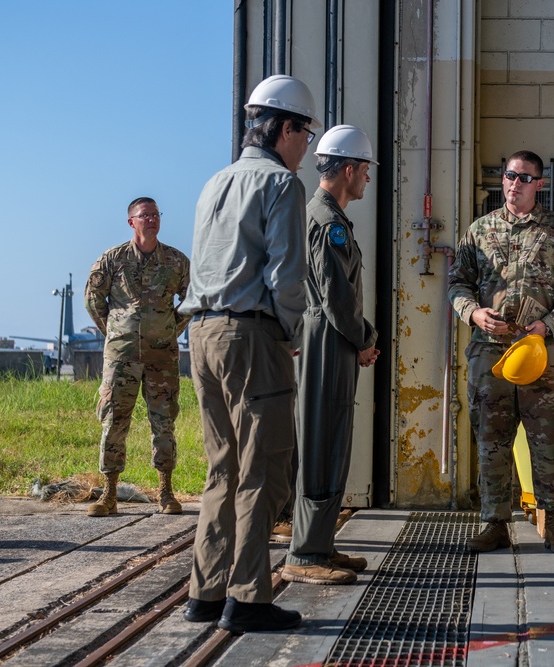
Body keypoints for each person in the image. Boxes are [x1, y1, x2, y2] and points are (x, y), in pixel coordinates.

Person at [178, 74, 319, 633]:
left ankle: (205, 594)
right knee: (263, 469)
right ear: (284, 128)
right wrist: (292, 334)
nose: (306, 146)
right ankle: (249, 599)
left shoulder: (214, 182)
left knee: (222, 471)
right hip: (251, 335)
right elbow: (286, 277)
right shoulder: (282, 186)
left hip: (203, 334)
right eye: (304, 133)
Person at [447, 150, 554, 554]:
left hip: (543, 351)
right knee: (491, 439)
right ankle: (495, 523)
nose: (514, 183)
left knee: (549, 438)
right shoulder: (480, 230)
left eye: (524, 178)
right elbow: (457, 283)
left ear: (539, 184)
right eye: (509, 175)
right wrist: (474, 314)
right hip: (490, 353)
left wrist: (551, 325)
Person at [281, 125, 380, 586]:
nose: (367, 180)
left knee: (331, 439)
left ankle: (319, 543)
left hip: (328, 337)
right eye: (365, 171)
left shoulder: (324, 216)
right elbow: (337, 296)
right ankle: (305, 554)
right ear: (348, 170)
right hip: (330, 338)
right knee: (323, 441)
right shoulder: (327, 222)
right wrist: (364, 339)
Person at [84, 197, 190, 518]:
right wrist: (115, 332)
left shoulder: (175, 261)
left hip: (162, 358)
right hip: (122, 357)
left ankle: (166, 492)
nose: (152, 220)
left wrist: (171, 327)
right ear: (132, 222)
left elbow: (192, 297)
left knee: (164, 422)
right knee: (114, 420)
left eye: (156, 215)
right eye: (145, 215)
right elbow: (93, 300)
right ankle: (110, 494)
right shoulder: (112, 260)